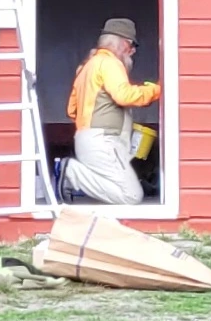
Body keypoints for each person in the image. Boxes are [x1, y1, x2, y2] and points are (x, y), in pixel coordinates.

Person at [55, 18, 160, 205]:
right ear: (121, 42)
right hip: (103, 142)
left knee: (122, 188)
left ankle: (72, 173)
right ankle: (71, 172)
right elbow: (124, 96)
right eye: (132, 45)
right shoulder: (110, 63)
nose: (133, 51)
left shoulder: (87, 66)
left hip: (87, 140)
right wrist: (158, 90)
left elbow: (72, 110)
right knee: (131, 196)